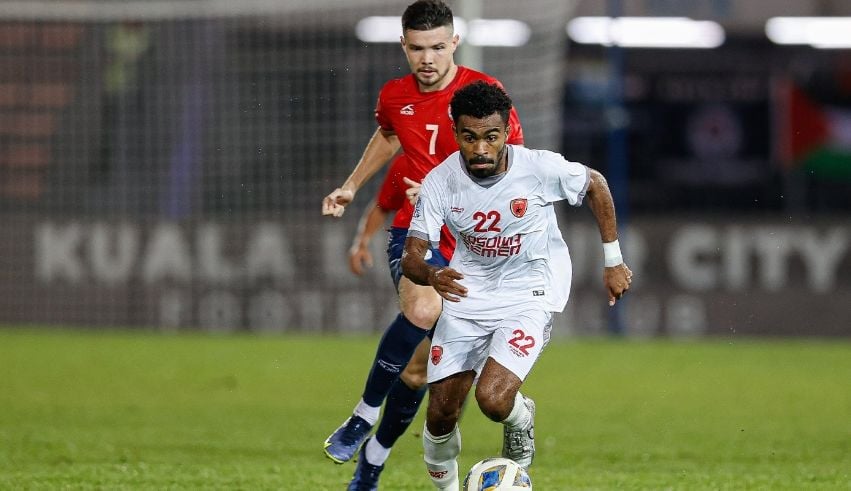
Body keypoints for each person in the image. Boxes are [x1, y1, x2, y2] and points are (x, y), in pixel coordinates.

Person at [321, 1, 524, 490]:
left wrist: (449, 191)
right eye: (417, 48)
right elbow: (388, 136)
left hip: (477, 241)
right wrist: (351, 185)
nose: (427, 58)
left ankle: (372, 460)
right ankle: (362, 414)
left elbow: (513, 165)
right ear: (404, 46)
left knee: (418, 372)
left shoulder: (483, 93)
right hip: (417, 231)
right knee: (423, 306)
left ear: (454, 43)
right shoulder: (394, 95)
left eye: (437, 47)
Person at [401, 81, 633, 490]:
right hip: (467, 294)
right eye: (469, 138)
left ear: (506, 132)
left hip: (530, 291)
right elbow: (412, 257)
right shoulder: (440, 182)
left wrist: (613, 260)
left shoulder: (539, 168)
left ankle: (519, 417)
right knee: (439, 414)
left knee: (492, 400)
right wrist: (432, 274)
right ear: (456, 133)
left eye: (491, 137)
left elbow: (595, 183)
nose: (481, 149)